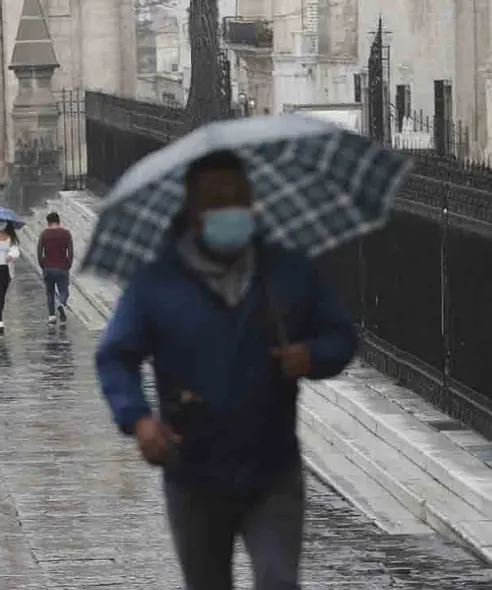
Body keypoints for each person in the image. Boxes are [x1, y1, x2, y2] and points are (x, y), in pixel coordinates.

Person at [94, 150, 357, 590]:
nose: (228, 209)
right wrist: (138, 419)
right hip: (193, 471)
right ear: (193, 211)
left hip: (271, 468)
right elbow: (116, 356)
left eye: (237, 198)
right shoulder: (157, 281)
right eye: (216, 200)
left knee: (278, 581)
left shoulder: (286, 270)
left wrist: (312, 355)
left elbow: (341, 336)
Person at [37, 212, 74, 324]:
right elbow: (71, 251)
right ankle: (60, 303)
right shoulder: (66, 234)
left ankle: (52, 316)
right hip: (62, 267)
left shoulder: (44, 234)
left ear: (48, 222)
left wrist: (42, 264)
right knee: (64, 292)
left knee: (50, 292)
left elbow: (39, 252)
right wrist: (68, 264)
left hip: (48, 267)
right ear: (59, 221)